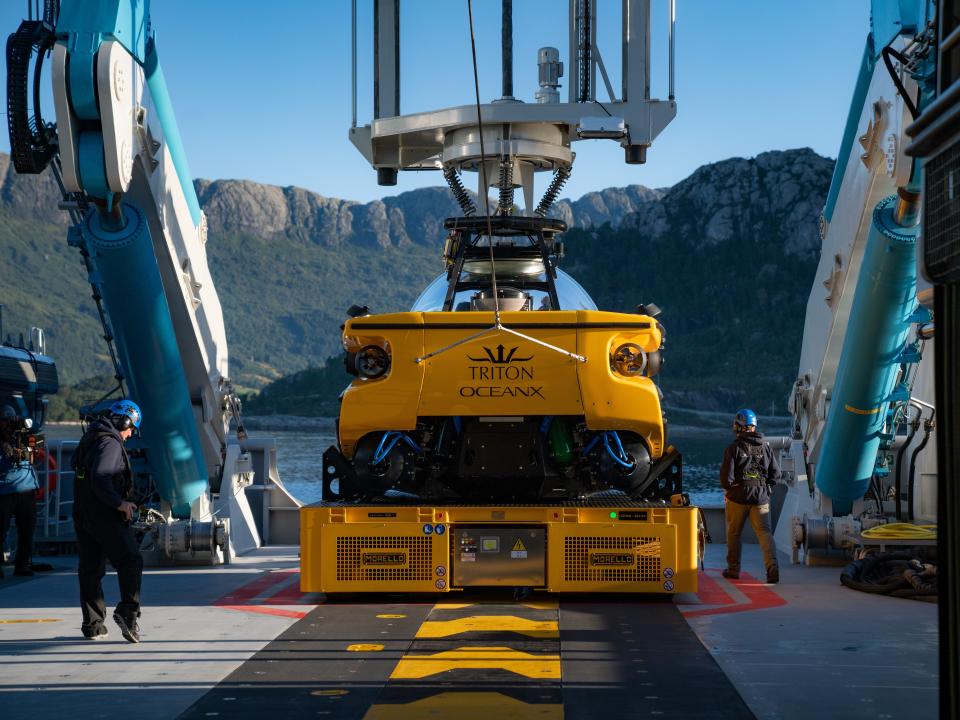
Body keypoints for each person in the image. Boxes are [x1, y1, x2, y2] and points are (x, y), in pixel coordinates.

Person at [72, 399, 143, 642]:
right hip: (104, 515)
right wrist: (120, 504)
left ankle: (93, 625)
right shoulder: (110, 443)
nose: (130, 433)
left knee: (91, 569)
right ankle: (128, 613)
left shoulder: (91, 437)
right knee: (131, 560)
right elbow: (101, 479)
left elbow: (81, 470)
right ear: (122, 421)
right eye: (131, 427)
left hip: (83, 513)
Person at [720, 408, 781, 584]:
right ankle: (772, 570)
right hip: (761, 498)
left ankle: (733, 570)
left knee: (733, 533)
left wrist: (730, 489)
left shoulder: (733, 448)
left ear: (739, 426)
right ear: (754, 427)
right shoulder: (766, 447)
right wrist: (766, 489)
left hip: (737, 498)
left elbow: (726, 478)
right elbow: (775, 475)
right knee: (764, 534)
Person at [0, 406, 39, 579]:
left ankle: (23, 564)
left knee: (27, 529)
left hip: (26, 487)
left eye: (10, 421)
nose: (8, 425)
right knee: (1, 529)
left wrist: (25, 429)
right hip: (3, 490)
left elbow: (35, 451)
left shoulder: (24, 433)